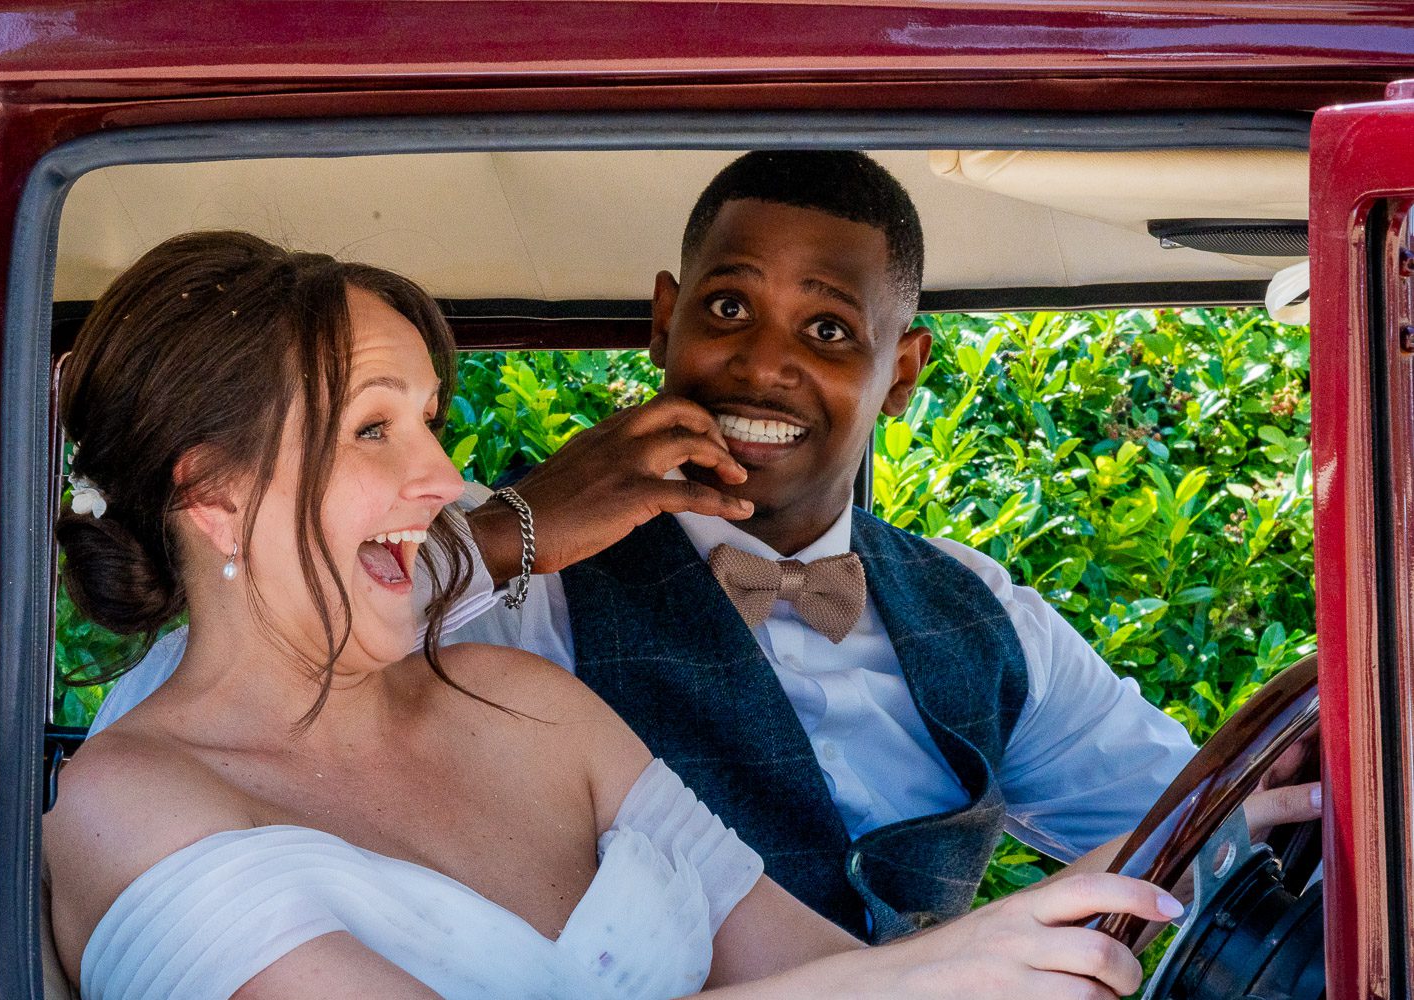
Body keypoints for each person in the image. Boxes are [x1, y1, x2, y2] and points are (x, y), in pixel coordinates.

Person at [88, 151, 1319, 943]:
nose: (765, 362)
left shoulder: (989, 615)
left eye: (830, 329)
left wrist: (1301, 797)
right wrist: (516, 529)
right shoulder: (508, 612)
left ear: (902, 372)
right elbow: (224, 690)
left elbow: (1189, 816)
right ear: (665, 320)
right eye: (728, 309)